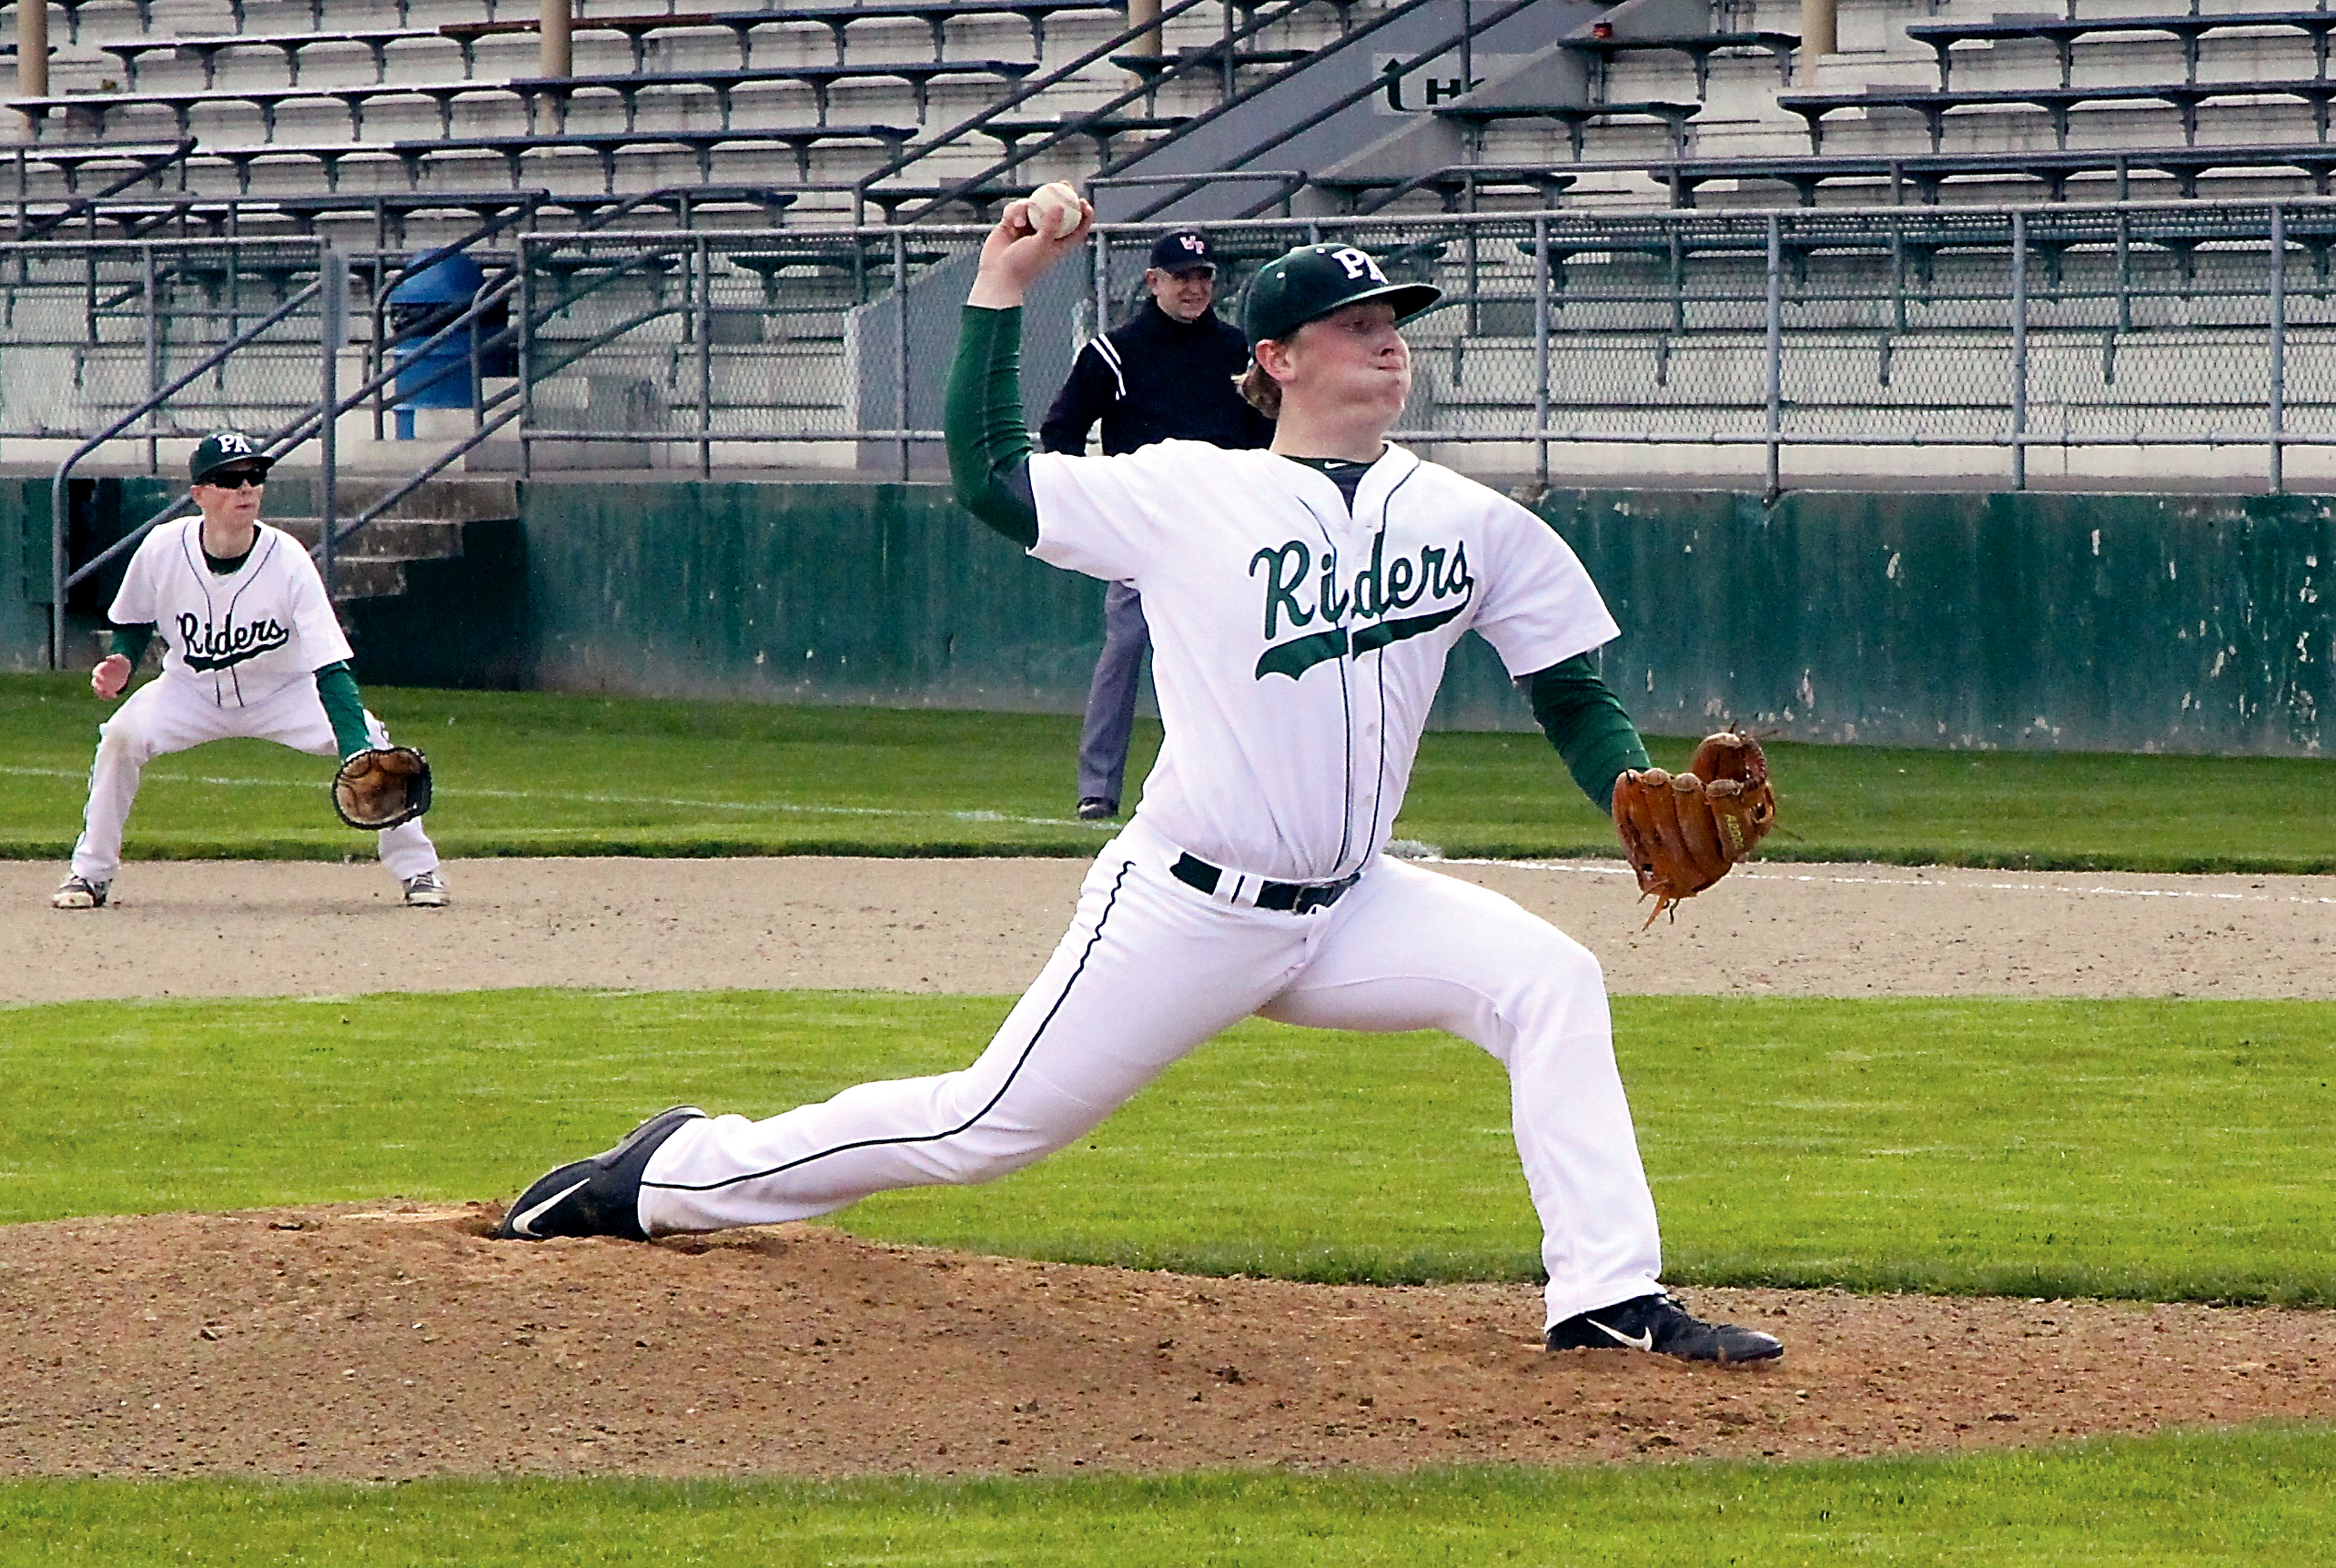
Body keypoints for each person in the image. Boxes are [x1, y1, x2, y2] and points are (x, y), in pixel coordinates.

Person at [496, 207, 1783, 1366]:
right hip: (1185, 902)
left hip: (1350, 906)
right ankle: (670, 1169)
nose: (1385, 342)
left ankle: (1604, 1293)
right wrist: (1000, 290)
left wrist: (1620, 780)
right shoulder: (1186, 491)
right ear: (1274, 359)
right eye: (1351, 325)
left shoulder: (1468, 518)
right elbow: (990, 478)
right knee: (985, 1124)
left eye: (1392, 322)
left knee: (1549, 981)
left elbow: (1568, 684)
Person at [50, 431, 450, 911]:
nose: (246, 488)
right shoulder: (163, 546)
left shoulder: (288, 560)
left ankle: (418, 871)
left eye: (254, 476)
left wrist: (355, 746)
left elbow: (329, 664)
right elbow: (133, 620)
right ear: (198, 494)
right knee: (119, 738)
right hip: (188, 692)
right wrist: (123, 660)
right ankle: (89, 874)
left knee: (376, 744)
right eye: (229, 478)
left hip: (283, 692)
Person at [1039, 228, 1274, 823]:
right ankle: (1097, 788)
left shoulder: (1239, 352)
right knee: (1125, 648)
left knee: (1238, 656)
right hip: (1144, 526)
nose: (1194, 288)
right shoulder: (1114, 353)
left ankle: (1235, 788)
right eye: (1181, 277)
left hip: (1225, 523)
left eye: (1203, 277)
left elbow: (1266, 432)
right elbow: (1061, 428)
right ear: (1153, 282)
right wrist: (1096, 499)